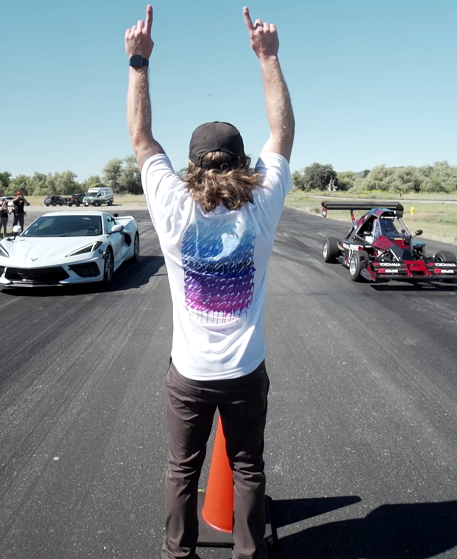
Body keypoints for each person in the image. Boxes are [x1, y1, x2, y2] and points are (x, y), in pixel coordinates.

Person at [125, 6, 294, 559]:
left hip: (190, 375)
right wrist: (267, 58)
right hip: (244, 372)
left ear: (192, 165)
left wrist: (139, 63)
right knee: (248, 470)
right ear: (243, 162)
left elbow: (142, 138)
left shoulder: (172, 206)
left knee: (180, 470)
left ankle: (180, 556)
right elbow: (283, 132)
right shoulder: (263, 205)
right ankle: (251, 554)